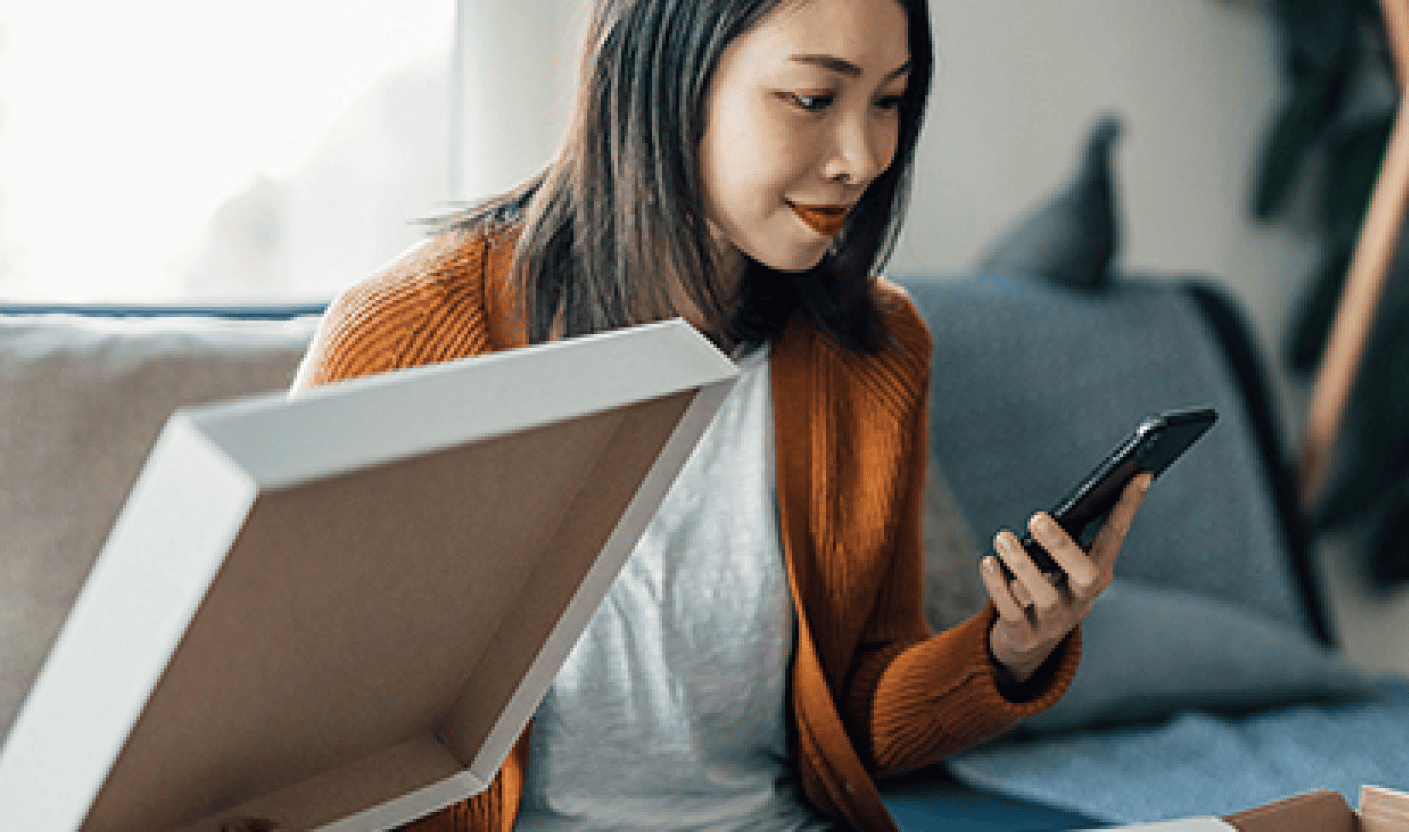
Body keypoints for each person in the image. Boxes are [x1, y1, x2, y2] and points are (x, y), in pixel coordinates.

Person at [262, 0, 1148, 830]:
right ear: (664, 79)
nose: (863, 156)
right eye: (811, 97)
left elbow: (851, 720)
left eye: (890, 102)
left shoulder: (877, 353)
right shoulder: (409, 335)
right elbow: (270, 730)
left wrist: (1009, 652)